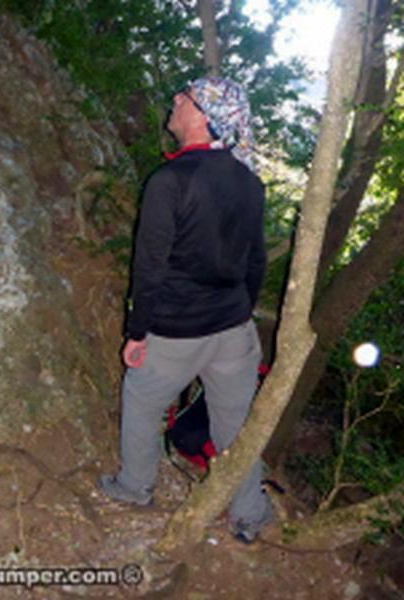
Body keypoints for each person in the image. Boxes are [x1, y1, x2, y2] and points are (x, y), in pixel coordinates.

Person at [97, 76, 272, 544]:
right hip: (234, 327)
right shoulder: (249, 183)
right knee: (235, 422)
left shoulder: (170, 180)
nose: (176, 100)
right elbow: (256, 262)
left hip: (176, 329)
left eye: (186, 97)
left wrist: (137, 333)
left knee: (141, 398)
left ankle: (135, 486)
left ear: (204, 117)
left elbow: (149, 266)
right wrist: (239, 312)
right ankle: (249, 512)